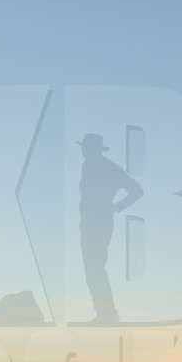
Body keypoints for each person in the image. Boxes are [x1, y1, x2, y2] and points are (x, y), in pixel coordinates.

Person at [77, 133, 144, 325]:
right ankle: (104, 314)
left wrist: (116, 207)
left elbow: (137, 190)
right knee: (92, 270)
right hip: (89, 222)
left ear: (93, 150)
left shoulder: (109, 168)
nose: (83, 151)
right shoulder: (87, 166)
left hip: (99, 223)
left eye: (85, 148)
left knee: (95, 269)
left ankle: (107, 314)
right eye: (83, 148)